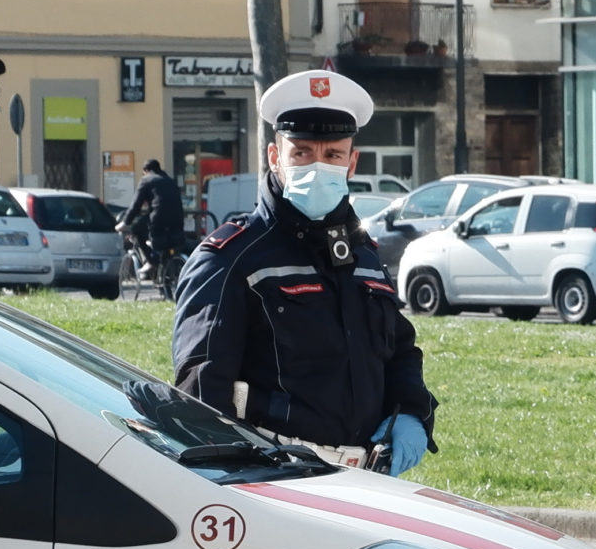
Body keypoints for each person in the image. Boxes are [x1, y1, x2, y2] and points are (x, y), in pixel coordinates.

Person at [172, 69, 438, 473]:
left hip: (367, 479)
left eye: (332, 155)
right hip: (275, 478)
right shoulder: (231, 257)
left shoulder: (362, 253)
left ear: (352, 162)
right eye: (302, 153)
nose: (318, 166)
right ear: (275, 157)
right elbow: (202, 393)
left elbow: (399, 351)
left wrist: (412, 413)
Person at [123, 157, 186, 287]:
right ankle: (166, 277)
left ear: (146, 170)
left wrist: (125, 222)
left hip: (158, 218)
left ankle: (151, 261)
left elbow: (136, 205)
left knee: (136, 229)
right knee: (168, 244)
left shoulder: (146, 180)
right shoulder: (170, 180)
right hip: (177, 218)